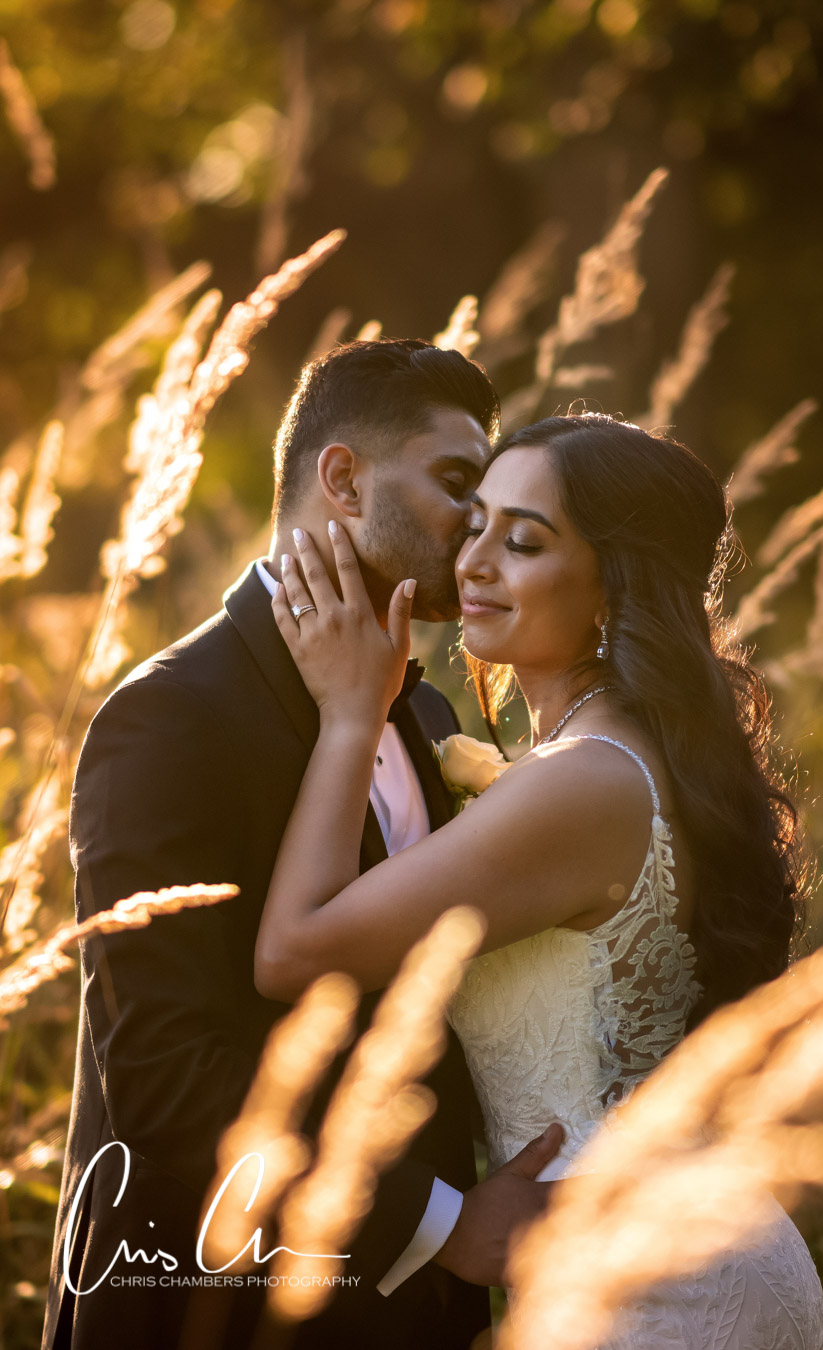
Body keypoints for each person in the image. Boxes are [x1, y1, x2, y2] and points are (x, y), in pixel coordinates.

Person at [256, 412, 823, 1348]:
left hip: (655, 1288)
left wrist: (351, 715)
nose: (473, 561)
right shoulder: (611, 753)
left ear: (613, 584)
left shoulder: (584, 781)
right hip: (627, 1250)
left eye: (522, 541)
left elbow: (295, 951)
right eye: (473, 523)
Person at [43, 339, 566, 1350]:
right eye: (458, 481)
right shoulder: (169, 715)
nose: (479, 523)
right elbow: (163, 1076)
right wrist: (446, 1224)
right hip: (208, 1310)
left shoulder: (425, 713)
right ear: (342, 478)